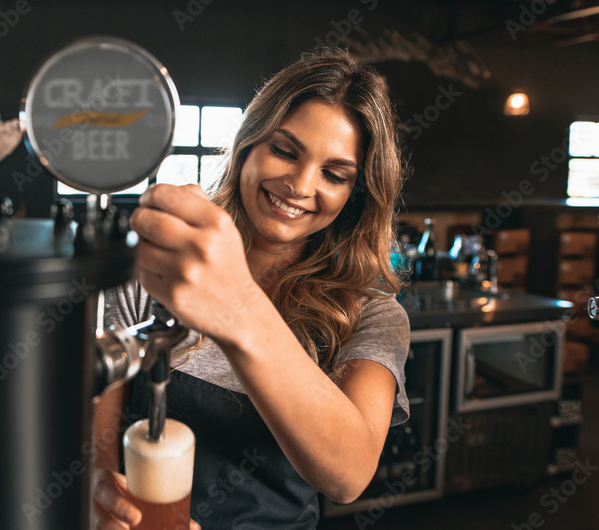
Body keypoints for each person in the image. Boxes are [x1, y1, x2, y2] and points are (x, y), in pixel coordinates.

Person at [91, 49, 411, 530]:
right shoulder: (158, 268)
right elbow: (96, 443)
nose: (299, 185)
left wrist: (235, 305)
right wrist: (96, 494)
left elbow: (348, 475)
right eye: (284, 150)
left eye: (334, 174)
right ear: (248, 144)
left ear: (354, 195)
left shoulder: (371, 315)